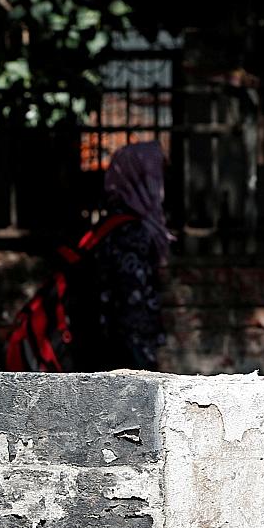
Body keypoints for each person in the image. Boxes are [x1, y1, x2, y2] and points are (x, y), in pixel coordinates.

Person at [71, 140, 173, 371]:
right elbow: (133, 311)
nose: (161, 183)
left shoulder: (109, 226)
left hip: (102, 354)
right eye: (157, 174)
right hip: (122, 361)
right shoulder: (131, 233)